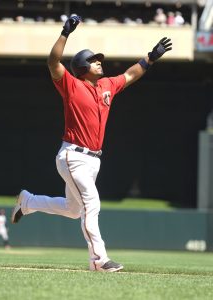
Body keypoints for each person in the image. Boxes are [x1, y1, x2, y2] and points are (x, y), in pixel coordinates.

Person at [11, 15, 172, 272]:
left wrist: (150, 59)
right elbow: (53, 62)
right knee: (91, 203)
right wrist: (65, 33)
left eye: (99, 60)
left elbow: (130, 75)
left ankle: (28, 201)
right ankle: (99, 260)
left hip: (93, 160)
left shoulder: (107, 86)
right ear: (83, 66)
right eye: (94, 60)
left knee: (74, 210)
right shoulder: (71, 85)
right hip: (72, 156)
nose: (99, 62)